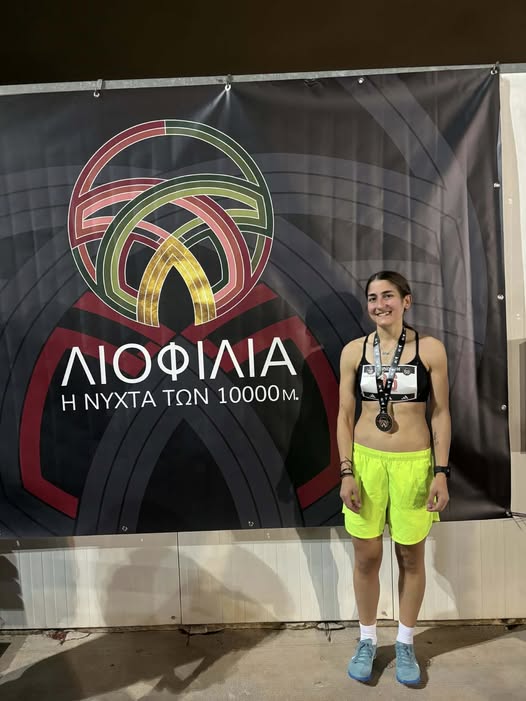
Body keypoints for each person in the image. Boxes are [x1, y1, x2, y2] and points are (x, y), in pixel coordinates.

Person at [337, 271, 451, 685]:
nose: (379, 304)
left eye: (388, 296)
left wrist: (441, 472)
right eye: (372, 297)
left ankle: (404, 643)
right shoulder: (354, 351)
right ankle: (367, 639)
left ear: (406, 300)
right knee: (366, 557)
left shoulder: (430, 349)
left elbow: (441, 413)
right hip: (366, 465)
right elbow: (344, 414)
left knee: (410, 558)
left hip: (413, 466)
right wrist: (346, 470)